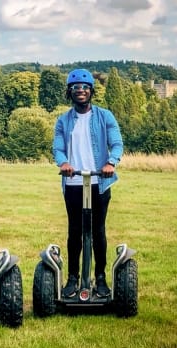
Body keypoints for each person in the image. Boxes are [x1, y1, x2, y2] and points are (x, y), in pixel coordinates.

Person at [53, 69, 123, 298]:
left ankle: (100, 278)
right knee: (75, 232)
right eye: (75, 88)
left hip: (99, 183)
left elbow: (117, 143)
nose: (80, 91)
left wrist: (111, 163)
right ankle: (73, 278)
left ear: (91, 91)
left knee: (97, 231)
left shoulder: (105, 116)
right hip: (73, 184)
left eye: (84, 87)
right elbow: (58, 147)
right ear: (70, 92)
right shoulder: (63, 120)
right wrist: (63, 163)